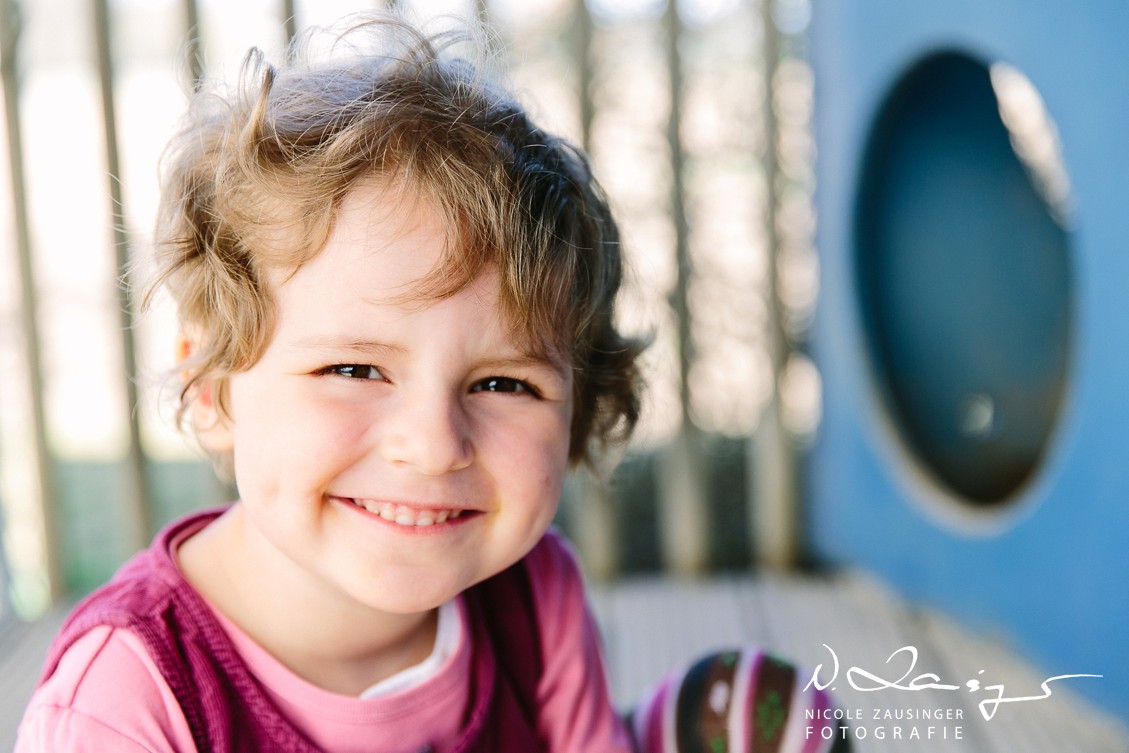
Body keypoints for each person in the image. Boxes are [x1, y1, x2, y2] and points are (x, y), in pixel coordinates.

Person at [16, 12, 845, 753]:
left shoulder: (533, 595)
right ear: (212, 385)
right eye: (353, 369)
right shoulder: (129, 702)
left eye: (503, 384)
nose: (433, 442)